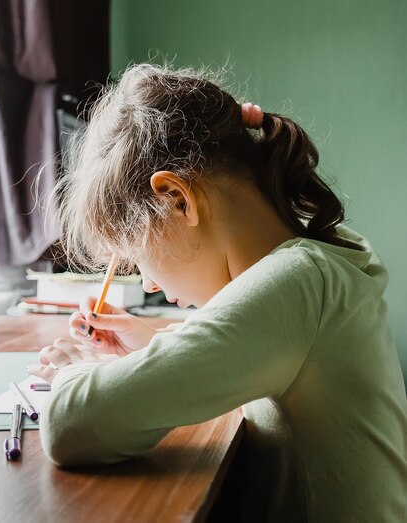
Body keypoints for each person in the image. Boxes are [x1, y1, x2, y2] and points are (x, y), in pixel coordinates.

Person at [26, 63, 407, 521]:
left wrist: (78, 369)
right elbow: (261, 346)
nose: (147, 283)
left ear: (177, 198)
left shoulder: (298, 281)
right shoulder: (323, 255)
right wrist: (155, 345)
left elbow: (73, 425)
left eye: (137, 255)